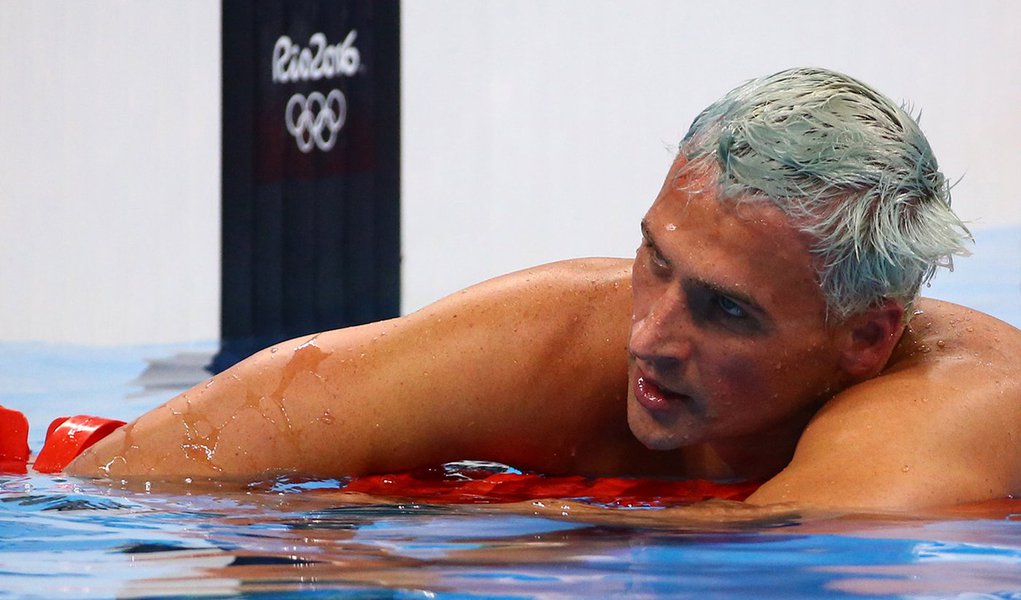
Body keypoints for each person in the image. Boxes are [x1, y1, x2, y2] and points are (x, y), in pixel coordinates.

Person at [68, 67, 1021, 512]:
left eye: (724, 309)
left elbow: (778, 555)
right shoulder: (558, 336)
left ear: (863, 338)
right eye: (655, 260)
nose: (649, 334)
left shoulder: (949, 413)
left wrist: (449, 519)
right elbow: (136, 475)